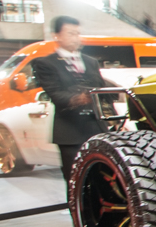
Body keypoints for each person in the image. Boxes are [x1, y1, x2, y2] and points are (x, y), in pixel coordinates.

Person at [29, 16, 111, 182]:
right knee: (76, 179)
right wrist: (79, 98)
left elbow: (103, 93)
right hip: (69, 131)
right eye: (70, 33)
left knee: (102, 177)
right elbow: (55, 94)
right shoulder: (46, 63)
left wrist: (113, 120)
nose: (75, 38)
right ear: (56, 36)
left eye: (77, 33)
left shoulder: (91, 62)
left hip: (96, 128)